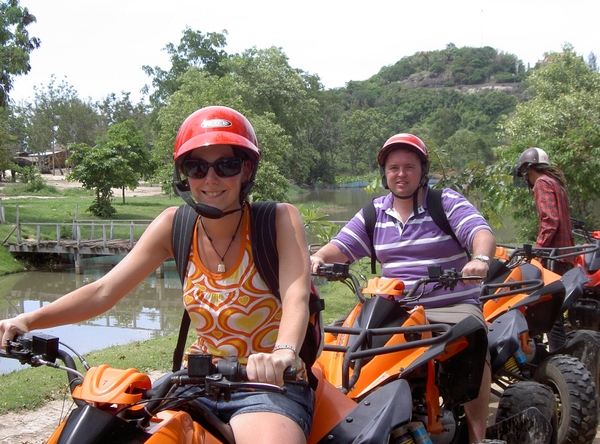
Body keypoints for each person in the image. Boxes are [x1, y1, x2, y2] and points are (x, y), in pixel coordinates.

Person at [0, 105, 314, 444]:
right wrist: (28, 320)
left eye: (226, 165)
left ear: (246, 169)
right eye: (196, 167)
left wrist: (282, 353)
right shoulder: (174, 226)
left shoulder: (278, 220)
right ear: (184, 174)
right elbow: (105, 290)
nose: (210, 179)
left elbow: (297, 295)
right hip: (196, 381)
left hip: (268, 384)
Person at [310, 133, 496, 444]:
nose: (401, 174)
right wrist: (317, 258)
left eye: (409, 166)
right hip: (395, 303)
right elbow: (341, 246)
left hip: (447, 301)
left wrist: (479, 258)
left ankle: (478, 436)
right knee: (339, 345)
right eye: (393, 167)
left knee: (472, 338)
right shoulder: (375, 212)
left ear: (423, 170)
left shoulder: (445, 202)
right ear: (384, 173)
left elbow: (479, 230)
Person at [516, 147, 575, 275]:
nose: (525, 179)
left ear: (528, 169)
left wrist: (537, 251)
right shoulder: (556, 184)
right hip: (565, 256)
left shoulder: (541, 183)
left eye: (523, 174)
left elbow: (550, 221)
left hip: (553, 257)